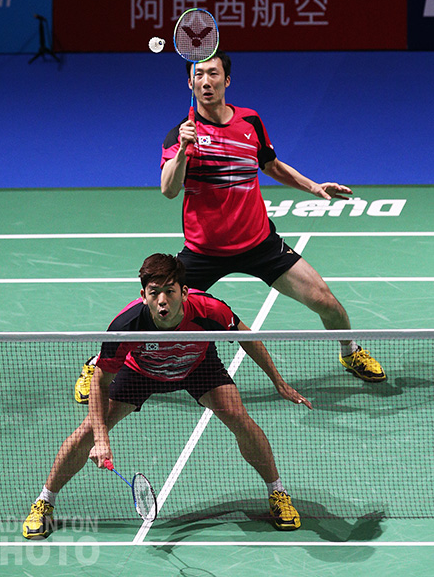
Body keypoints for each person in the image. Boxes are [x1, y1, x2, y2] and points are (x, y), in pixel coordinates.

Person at [24, 254, 312, 539]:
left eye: (169, 292)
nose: (162, 300)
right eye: (154, 293)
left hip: (197, 365)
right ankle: (44, 502)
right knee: (88, 430)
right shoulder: (125, 326)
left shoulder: (209, 310)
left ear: (184, 292)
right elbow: (100, 383)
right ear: (143, 296)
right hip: (141, 371)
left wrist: (279, 382)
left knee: (239, 417)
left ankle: (278, 492)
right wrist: (101, 439)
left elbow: (247, 338)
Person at [159, 50, 385, 383]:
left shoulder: (249, 121)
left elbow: (272, 166)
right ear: (189, 84)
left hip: (259, 244)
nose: (206, 81)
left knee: (325, 301)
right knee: (156, 316)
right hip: (204, 252)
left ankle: (350, 351)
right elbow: (168, 190)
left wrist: (313, 186)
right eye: (199, 75)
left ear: (227, 80)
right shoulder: (181, 134)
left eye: (213, 74)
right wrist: (183, 150)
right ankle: (100, 364)